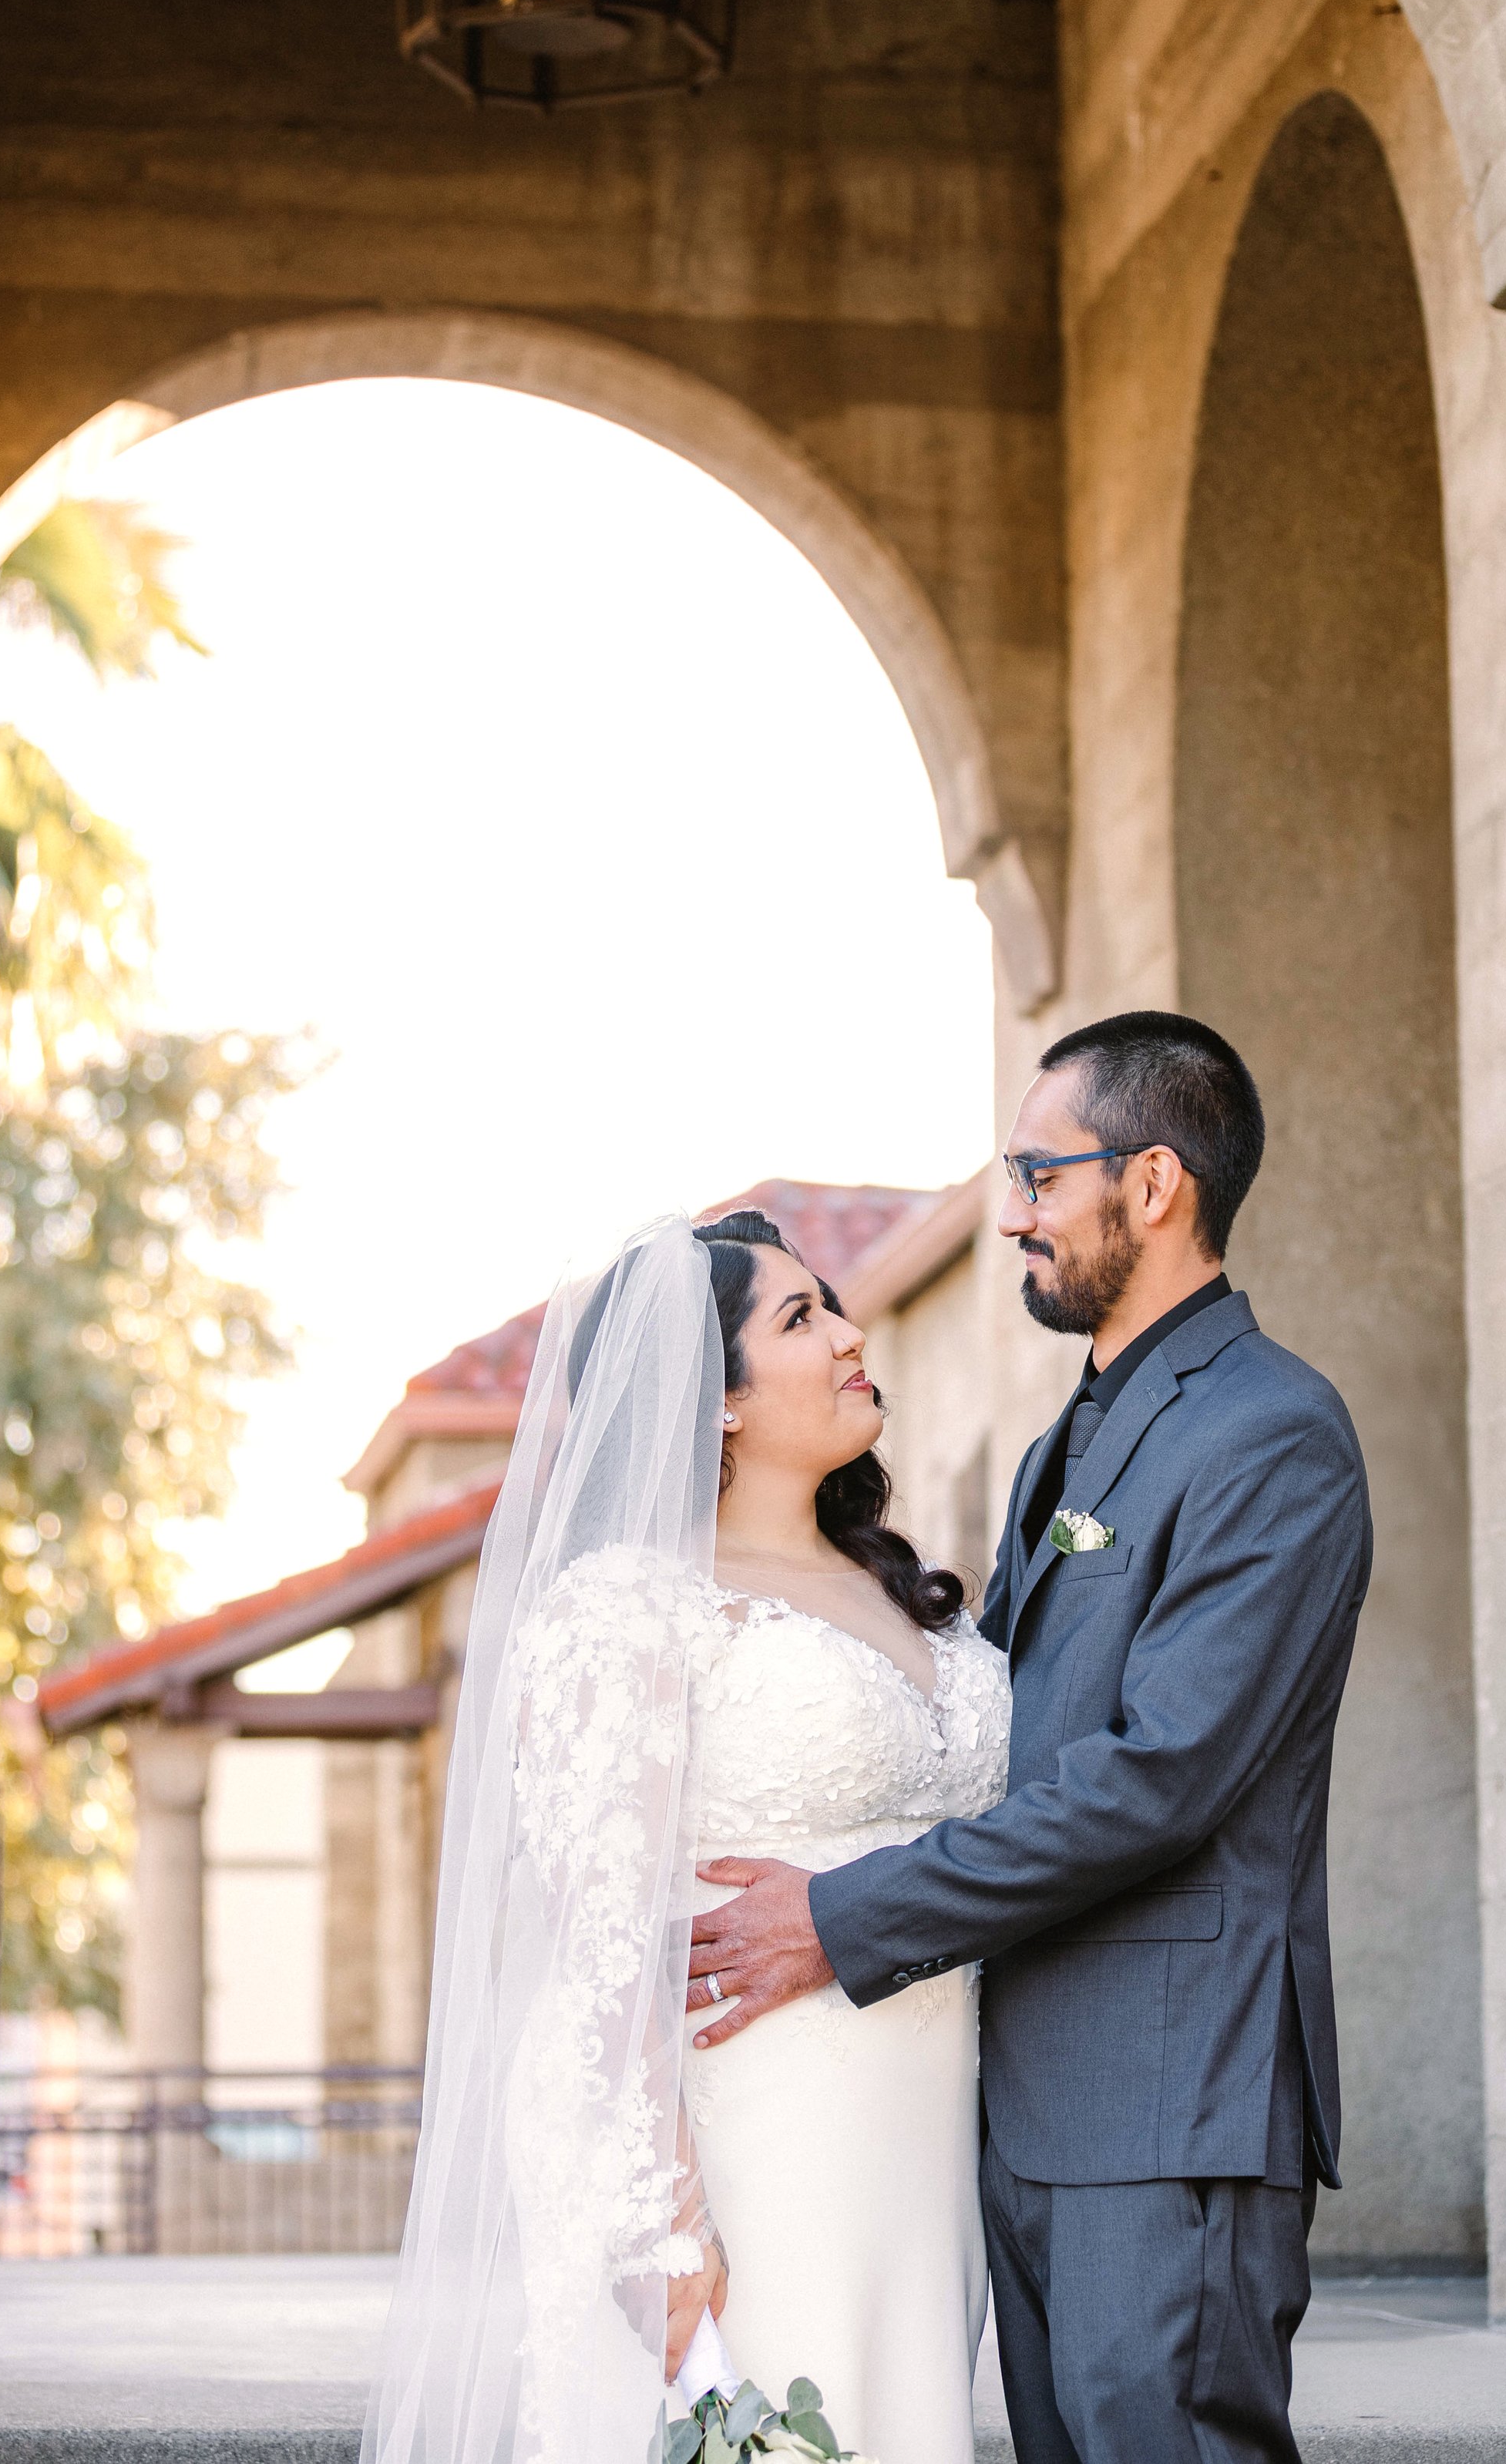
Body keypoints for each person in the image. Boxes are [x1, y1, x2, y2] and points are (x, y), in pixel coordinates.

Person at [687, 1012, 1373, 2464]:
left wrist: (840, 1916)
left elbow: (1160, 1778)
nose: (1013, 1214)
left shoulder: (1273, 1431)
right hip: (1019, 2114)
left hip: (1170, 2107)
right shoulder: (1074, 1439)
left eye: (1040, 1175)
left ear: (1153, 1184)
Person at [361, 1208, 1010, 2464]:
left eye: (834, 1305)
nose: (849, 1332)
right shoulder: (628, 1610)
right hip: (750, 2146)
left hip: (922, 2152)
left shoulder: (904, 1591)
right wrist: (660, 2224)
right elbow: (600, 1942)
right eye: (802, 1316)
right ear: (710, 1400)